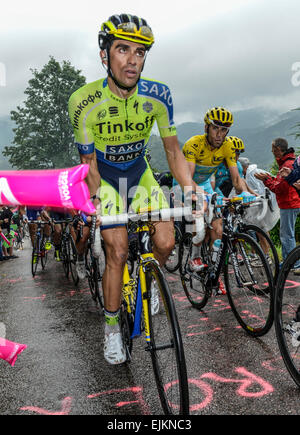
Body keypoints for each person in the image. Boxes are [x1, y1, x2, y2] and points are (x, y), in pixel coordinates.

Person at [68, 13, 199, 364]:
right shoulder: (83, 101)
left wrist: (190, 190)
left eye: (140, 53)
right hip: (106, 179)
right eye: (123, 50)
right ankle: (112, 327)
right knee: (118, 250)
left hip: (139, 175)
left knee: (167, 241)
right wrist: (96, 202)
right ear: (104, 55)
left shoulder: (158, 95)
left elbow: (173, 151)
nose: (132, 60)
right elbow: (88, 164)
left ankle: (149, 283)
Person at [179, 108, 248, 276]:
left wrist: (246, 194)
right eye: (215, 128)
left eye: (224, 130)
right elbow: (188, 179)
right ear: (206, 128)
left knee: (218, 228)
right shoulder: (194, 144)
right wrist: (203, 195)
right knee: (199, 223)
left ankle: (213, 268)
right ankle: (194, 257)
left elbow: (237, 180)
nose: (219, 134)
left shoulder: (227, 146)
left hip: (205, 184)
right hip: (185, 183)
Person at [255, 138, 300, 274]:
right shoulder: (287, 162)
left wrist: (266, 180)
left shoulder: (288, 163)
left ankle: (294, 263)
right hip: (290, 202)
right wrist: (270, 179)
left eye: (273, 149)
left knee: (287, 234)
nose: (272, 152)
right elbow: (281, 183)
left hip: (290, 203)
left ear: (279, 150)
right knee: (286, 233)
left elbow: (280, 188)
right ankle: (288, 261)